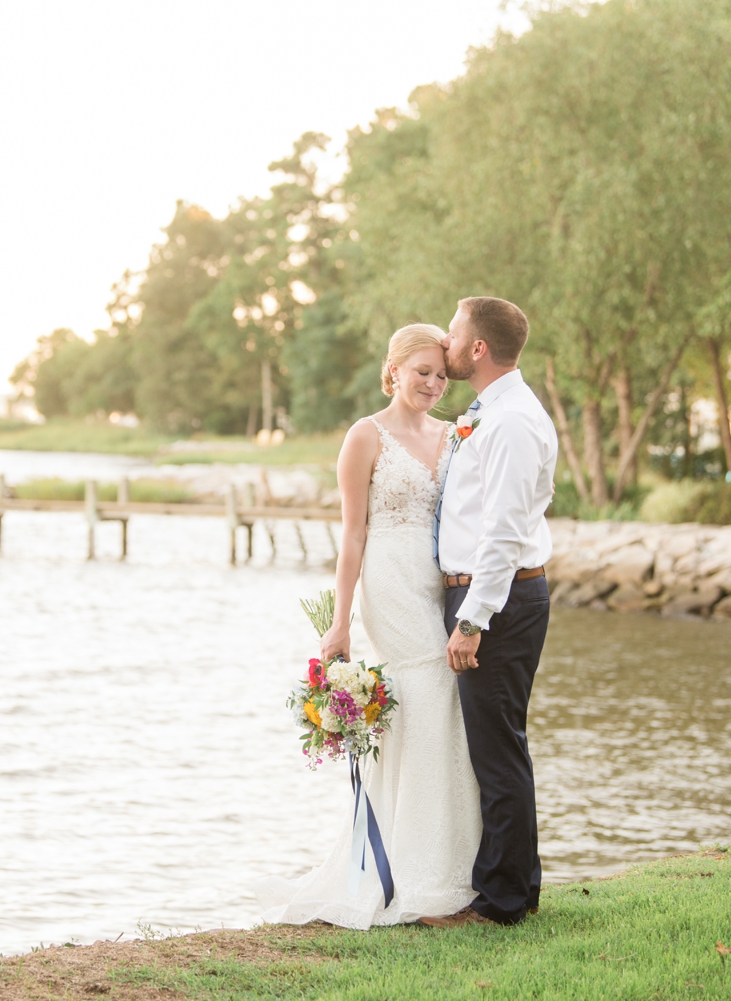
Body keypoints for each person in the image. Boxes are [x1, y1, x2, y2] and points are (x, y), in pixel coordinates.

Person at [253, 324, 482, 929]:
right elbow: (352, 534)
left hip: (438, 582)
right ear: (394, 371)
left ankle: (440, 864)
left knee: (437, 707)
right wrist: (340, 622)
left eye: (440, 375)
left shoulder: (453, 433)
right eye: (422, 373)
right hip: (389, 582)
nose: (433, 384)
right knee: (429, 692)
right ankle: (412, 876)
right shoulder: (365, 435)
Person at [419, 296, 558, 928]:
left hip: (495, 599)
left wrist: (472, 621)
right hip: (487, 592)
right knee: (501, 746)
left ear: (477, 348)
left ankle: (501, 902)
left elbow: (503, 532)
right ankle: (516, 888)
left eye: (453, 332)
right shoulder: (491, 412)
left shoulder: (511, 422)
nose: (445, 342)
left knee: (498, 752)